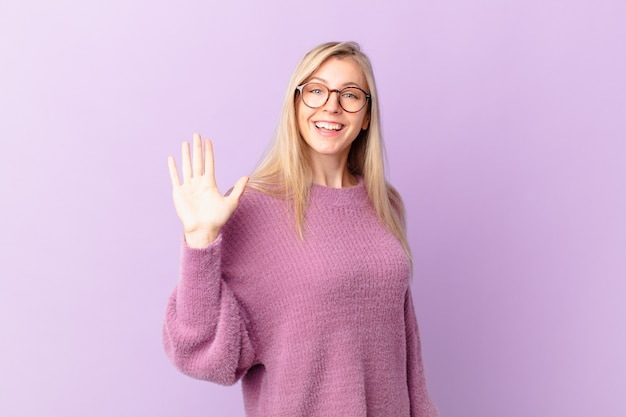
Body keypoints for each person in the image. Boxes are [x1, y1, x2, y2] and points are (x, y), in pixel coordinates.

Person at [163, 41, 438, 417]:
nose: (331, 105)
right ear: (296, 105)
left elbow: (406, 350)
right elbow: (201, 353)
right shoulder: (253, 208)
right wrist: (200, 239)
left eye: (351, 95)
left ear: (367, 116)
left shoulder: (386, 205)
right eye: (316, 91)